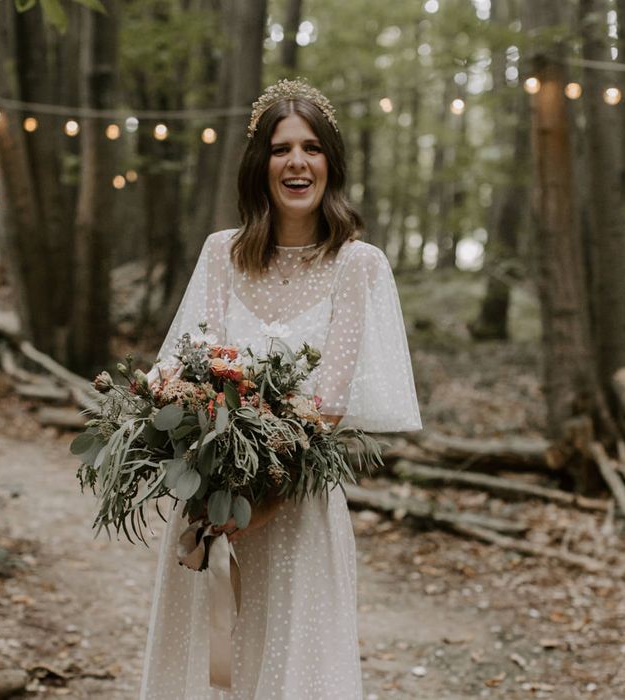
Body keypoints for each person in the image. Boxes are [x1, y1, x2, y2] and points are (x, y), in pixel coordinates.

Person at [139, 78, 421, 700]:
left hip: (296, 508)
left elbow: (327, 403)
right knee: (207, 664)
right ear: (259, 165)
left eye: (312, 148)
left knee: (295, 669)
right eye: (280, 148)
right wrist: (206, 472)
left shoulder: (357, 264)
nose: (297, 162)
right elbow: (185, 370)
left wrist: (261, 499)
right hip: (209, 507)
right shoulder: (221, 255)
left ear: (331, 164)